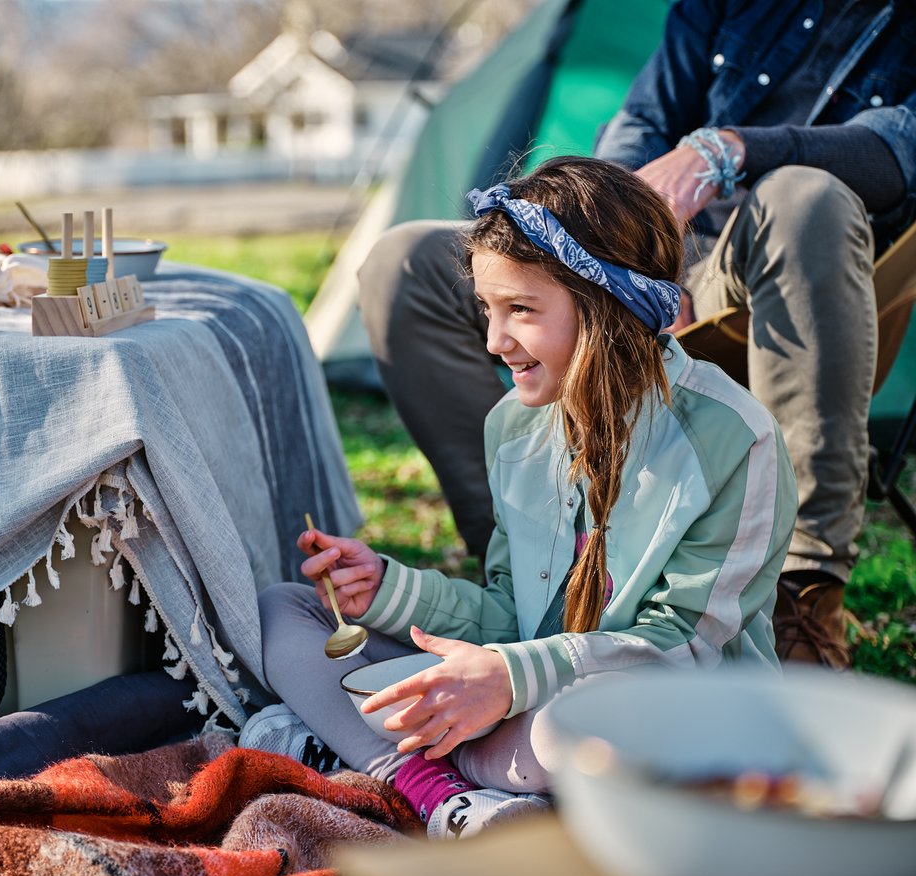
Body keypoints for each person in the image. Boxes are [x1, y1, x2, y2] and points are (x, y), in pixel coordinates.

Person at [247, 157, 798, 840]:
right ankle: (444, 796)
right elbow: (514, 615)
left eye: (520, 311)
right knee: (288, 609)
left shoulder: (733, 440)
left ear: (607, 304)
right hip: (526, 697)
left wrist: (509, 679)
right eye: (486, 308)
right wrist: (387, 592)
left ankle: (356, 750)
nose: (493, 341)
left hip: (668, 711)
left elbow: (683, 649)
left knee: (599, 717)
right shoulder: (514, 426)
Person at [358, 0, 916, 670]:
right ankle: (532, 572)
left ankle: (803, 593)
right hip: (660, 258)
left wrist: (732, 149)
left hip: (795, 271)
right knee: (405, 262)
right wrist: (625, 246)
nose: (493, 339)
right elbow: (644, 118)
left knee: (804, 196)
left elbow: (899, 150)